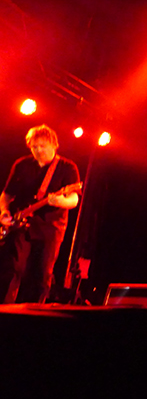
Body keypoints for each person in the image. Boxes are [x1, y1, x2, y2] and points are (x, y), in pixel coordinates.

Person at [0, 125, 80, 304]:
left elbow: (74, 199)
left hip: (50, 228)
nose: (38, 151)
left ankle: (34, 312)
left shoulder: (67, 167)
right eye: (34, 147)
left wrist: (59, 201)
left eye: (43, 146)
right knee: (12, 269)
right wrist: (4, 212)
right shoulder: (22, 164)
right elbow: (6, 195)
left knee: (41, 274)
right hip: (20, 224)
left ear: (54, 145)